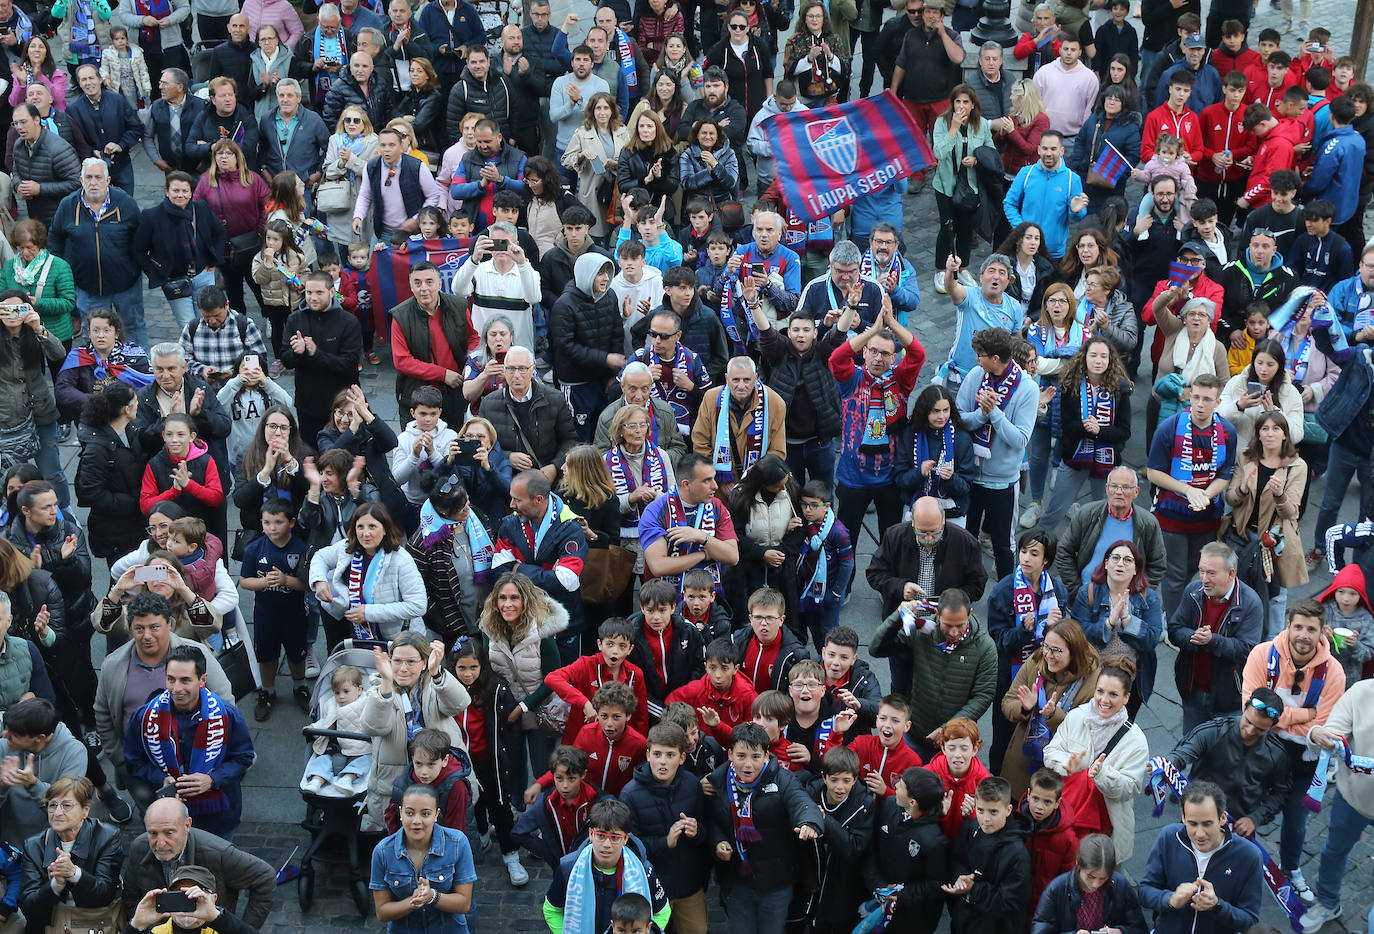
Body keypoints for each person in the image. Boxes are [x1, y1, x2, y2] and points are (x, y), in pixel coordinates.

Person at [1237, 600, 1342, 903]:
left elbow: (1322, 730)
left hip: (1303, 762)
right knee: (1245, 811)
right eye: (1298, 626)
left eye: (1311, 629)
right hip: (1260, 751)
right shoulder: (1262, 655)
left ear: (1323, 631)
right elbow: (1251, 711)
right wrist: (1304, 715)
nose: (1303, 635)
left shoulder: (1333, 673)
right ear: (1288, 626)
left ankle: (1291, 869)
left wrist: (1277, 719)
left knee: (1296, 822)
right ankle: (1241, 864)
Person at [121, 643, 254, 839]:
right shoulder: (145, 716)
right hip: (168, 818)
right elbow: (133, 761)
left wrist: (212, 779)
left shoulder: (227, 716)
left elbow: (243, 758)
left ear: (202, 680)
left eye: (185, 680)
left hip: (217, 818)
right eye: (171, 679)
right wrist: (161, 779)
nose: (176, 689)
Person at [828, 300, 923, 538]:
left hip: (889, 478)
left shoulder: (900, 380)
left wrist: (891, 323)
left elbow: (918, 354)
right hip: (853, 478)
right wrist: (870, 332)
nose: (878, 358)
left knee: (891, 542)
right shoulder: (853, 379)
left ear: (893, 358)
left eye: (885, 353)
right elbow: (836, 359)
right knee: (846, 543)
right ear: (864, 352)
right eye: (873, 351)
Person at [1146, 374, 1238, 616]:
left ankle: (1181, 610)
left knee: (1195, 569)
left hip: (1207, 516)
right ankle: (1173, 622)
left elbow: (1225, 473)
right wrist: (1188, 490)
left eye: (1207, 399)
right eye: (1195, 397)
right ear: (1188, 396)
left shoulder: (1227, 432)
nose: (1200, 404)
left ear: (1218, 403)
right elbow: (1153, 472)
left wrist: (1205, 495)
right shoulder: (1169, 428)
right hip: (1171, 515)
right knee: (1175, 573)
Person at [871, 588, 997, 757]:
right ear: (937, 614)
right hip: (916, 733)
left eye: (960, 625)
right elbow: (876, 649)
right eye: (948, 625)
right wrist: (898, 615)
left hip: (955, 742)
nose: (954, 633)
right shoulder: (922, 631)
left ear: (970, 613)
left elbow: (983, 695)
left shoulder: (985, 647)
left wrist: (947, 729)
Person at [1041, 658, 1148, 858]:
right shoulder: (1076, 716)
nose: (1104, 700)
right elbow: (1050, 752)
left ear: (1126, 698)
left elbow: (1131, 788)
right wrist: (1069, 764)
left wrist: (1101, 775)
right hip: (1066, 817)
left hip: (1106, 828)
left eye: (1113, 694)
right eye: (1100, 691)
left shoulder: (1136, 740)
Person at [955, 326, 1038, 579]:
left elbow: (1020, 439)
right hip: (970, 475)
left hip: (1002, 482)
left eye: (980, 354)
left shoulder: (1027, 389)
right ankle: (961, 588)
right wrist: (981, 414)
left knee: (1003, 545)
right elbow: (959, 418)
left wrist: (993, 412)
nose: (976, 359)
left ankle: (1006, 593)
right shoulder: (975, 375)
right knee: (963, 540)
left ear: (994, 358)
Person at [121, 797, 275, 929]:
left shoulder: (218, 853)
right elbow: (131, 895)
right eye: (153, 833)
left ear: (187, 825)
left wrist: (240, 928)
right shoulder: (139, 848)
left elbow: (265, 877)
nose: (160, 843)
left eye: (169, 833)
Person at [1295, 678, 1374, 932]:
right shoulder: (1361, 692)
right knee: (1334, 851)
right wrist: (1317, 734)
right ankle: (1328, 901)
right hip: (1352, 797)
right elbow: (1331, 732)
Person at [1137, 781, 1264, 934]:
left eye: (1207, 824)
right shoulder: (1169, 838)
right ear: (1183, 817)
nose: (1200, 833)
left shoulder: (1249, 856)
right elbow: (1145, 891)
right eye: (1192, 824)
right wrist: (1170, 899)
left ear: (1223, 818)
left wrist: (1217, 906)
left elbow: (1250, 921)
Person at [1168, 541, 1265, 733]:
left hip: (1229, 698)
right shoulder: (1193, 592)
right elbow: (1174, 629)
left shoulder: (1250, 603)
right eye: (1201, 571)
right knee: (1191, 747)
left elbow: (1248, 649)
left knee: (1223, 755)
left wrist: (1213, 641)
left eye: (1211, 573)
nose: (1204, 579)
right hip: (1193, 689)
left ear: (1230, 574)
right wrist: (1194, 637)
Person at [1040, 337, 1133, 534]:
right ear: (1084, 358)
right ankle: (1037, 546)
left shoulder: (1121, 390)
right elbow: (1066, 426)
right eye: (1093, 355)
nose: (1098, 360)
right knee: (1055, 510)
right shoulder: (1071, 386)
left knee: (1105, 513)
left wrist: (1100, 430)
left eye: (1103, 356)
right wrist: (1086, 428)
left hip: (1106, 462)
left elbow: (1124, 432)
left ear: (1110, 360)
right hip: (1074, 457)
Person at [47, 158, 144, 346]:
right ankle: (97, 372)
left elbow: (140, 237)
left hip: (126, 284)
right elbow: (55, 236)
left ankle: (139, 370)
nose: (93, 182)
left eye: (98, 177)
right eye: (89, 177)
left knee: (133, 327)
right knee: (93, 332)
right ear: (81, 180)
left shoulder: (125, 203)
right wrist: (62, 269)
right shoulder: (68, 205)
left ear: (107, 180)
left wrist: (135, 266)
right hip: (87, 285)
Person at [18, 776, 123, 931]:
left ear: (85, 810)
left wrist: (74, 873)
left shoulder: (107, 836)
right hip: (52, 926)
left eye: (66, 805)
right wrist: (56, 884)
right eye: (52, 805)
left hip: (94, 922)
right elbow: (28, 907)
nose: (57, 812)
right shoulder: (33, 845)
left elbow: (104, 894)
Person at [371, 783, 477, 933]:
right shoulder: (382, 852)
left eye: (425, 814)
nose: (416, 821)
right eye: (410, 813)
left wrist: (432, 896)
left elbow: (464, 903)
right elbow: (382, 912)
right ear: (400, 813)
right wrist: (412, 902)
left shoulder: (458, 843)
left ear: (436, 814)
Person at [281, 272, 362, 445]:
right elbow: (285, 360)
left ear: (332, 292)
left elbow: (349, 365)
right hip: (308, 406)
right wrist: (297, 352)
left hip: (343, 407)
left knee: (344, 457)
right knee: (310, 456)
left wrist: (316, 353)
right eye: (309, 293)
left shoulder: (349, 322)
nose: (313, 298)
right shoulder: (295, 319)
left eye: (319, 293)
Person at [889, 0, 964, 184]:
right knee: (914, 140)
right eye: (928, 11)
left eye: (935, 12)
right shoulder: (910, 35)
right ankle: (917, 175)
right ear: (922, 14)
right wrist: (893, 91)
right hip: (913, 98)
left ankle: (942, 172)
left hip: (940, 98)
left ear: (942, 16)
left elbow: (958, 58)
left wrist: (942, 33)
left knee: (941, 139)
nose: (931, 16)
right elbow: (901, 64)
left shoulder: (952, 35)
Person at [478, 346, 578, 484]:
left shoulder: (555, 399)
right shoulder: (488, 404)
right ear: (504, 370)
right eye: (511, 369)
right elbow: (481, 445)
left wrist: (555, 467)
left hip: (545, 477)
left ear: (533, 369)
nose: (517, 375)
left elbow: (570, 440)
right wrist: (507, 457)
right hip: (505, 478)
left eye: (523, 368)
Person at [1031, 834, 1147, 934]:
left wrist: (1121, 931)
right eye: (1090, 877)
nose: (1096, 884)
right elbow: (1040, 930)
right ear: (1078, 864)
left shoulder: (1121, 885)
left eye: (1103, 878)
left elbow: (1140, 929)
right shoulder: (1057, 889)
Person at [1003, 131, 1088, 260]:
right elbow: (1009, 203)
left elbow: (1077, 216)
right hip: (1024, 249)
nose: (1048, 153)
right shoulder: (1026, 173)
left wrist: (1076, 211)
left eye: (1053, 149)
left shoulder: (1072, 179)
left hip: (1054, 253)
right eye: (1045, 148)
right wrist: (1021, 228)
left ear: (1062, 151)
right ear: (1038, 150)